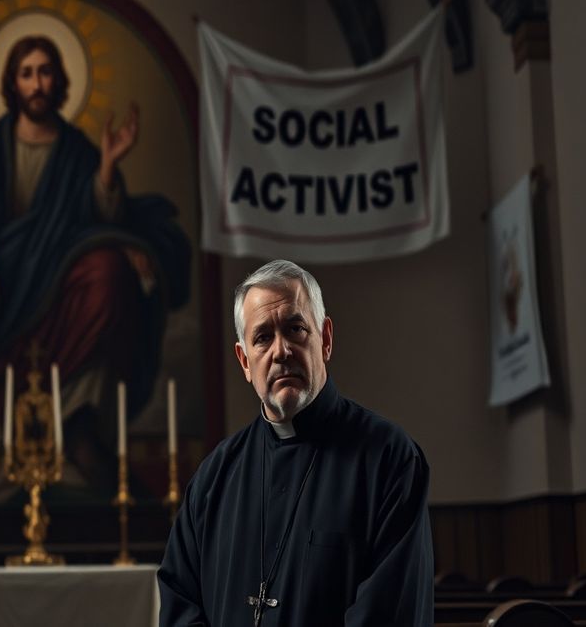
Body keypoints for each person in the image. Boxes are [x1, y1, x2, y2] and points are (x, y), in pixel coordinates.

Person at [0, 35, 190, 498]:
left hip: (60, 280)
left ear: (59, 80)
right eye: (27, 73)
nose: (37, 83)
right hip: (4, 289)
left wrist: (107, 166)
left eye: (45, 72)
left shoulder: (77, 151)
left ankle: (76, 414)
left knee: (108, 272)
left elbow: (100, 220)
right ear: (12, 83)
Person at [157, 260, 433, 626]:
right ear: (244, 361)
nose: (281, 351)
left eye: (295, 329)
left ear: (326, 339)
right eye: (262, 337)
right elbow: (180, 606)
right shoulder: (214, 478)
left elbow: (389, 614)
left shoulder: (389, 459)